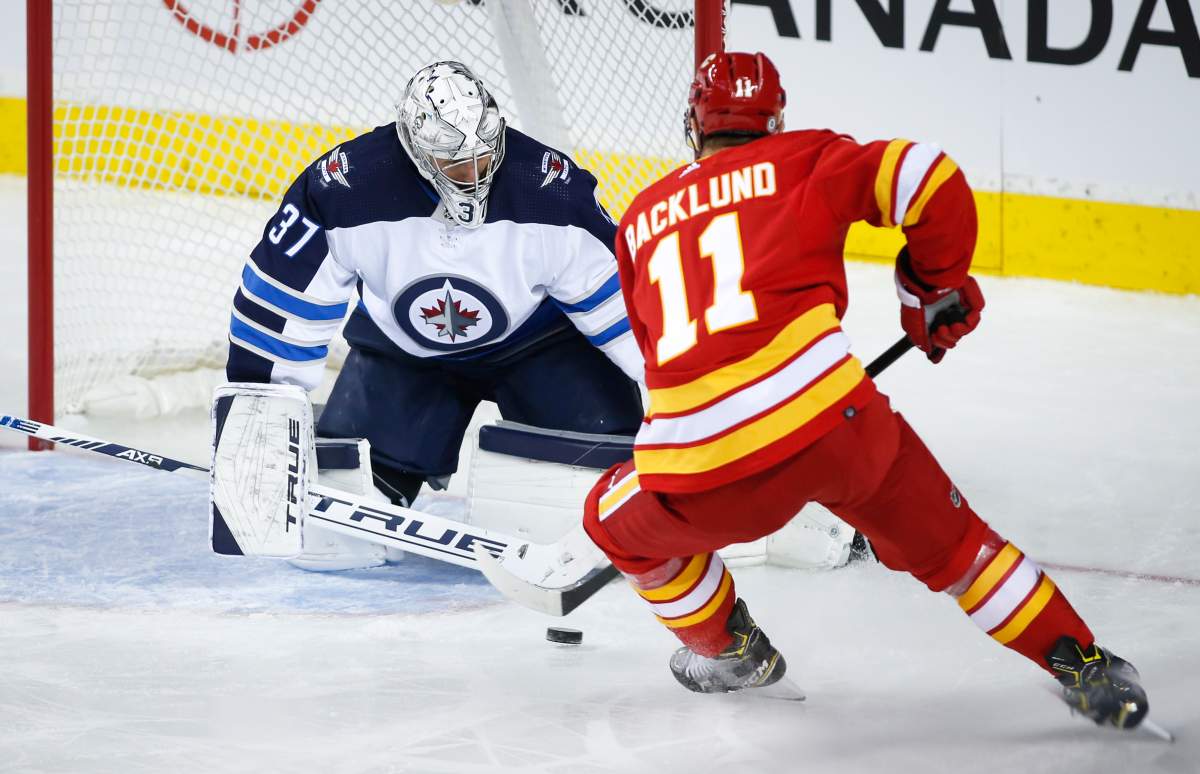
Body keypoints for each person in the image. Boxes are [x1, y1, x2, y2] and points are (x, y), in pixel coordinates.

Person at [581, 51, 1151, 731]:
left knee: (609, 518)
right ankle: (1087, 668)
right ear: (777, 117)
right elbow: (929, 177)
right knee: (959, 548)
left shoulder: (643, 216)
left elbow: (657, 353)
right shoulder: (806, 157)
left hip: (702, 467)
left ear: (693, 126)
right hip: (837, 426)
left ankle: (730, 649)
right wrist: (930, 288)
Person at [224, 61, 644, 567]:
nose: (474, 175)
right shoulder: (344, 190)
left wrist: (687, 405)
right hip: (406, 357)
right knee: (337, 538)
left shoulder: (550, 190)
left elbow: (630, 309)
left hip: (543, 347)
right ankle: (389, 467)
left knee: (610, 502)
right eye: (455, 164)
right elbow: (281, 304)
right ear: (418, 151)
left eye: (484, 158)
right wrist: (257, 422)